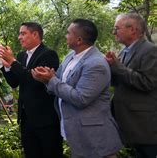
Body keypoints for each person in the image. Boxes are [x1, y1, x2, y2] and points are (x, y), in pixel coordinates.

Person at [32, 19, 122, 158]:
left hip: (95, 139)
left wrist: (51, 80)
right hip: (77, 134)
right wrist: (47, 78)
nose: (65, 36)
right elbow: (59, 82)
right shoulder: (70, 56)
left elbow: (81, 98)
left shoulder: (96, 64)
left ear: (79, 40)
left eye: (68, 33)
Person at [0, 22, 62, 158]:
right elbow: (14, 82)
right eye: (19, 34)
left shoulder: (48, 54)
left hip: (46, 120)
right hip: (26, 119)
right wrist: (7, 66)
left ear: (35, 34)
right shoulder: (22, 56)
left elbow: (34, 81)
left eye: (23, 33)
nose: (19, 37)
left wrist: (13, 62)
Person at [105, 12, 157, 158]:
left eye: (117, 28)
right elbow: (119, 82)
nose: (113, 32)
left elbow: (147, 83)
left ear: (133, 30)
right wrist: (109, 67)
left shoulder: (150, 50)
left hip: (143, 126)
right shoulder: (124, 51)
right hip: (128, 122)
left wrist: (117, 67)